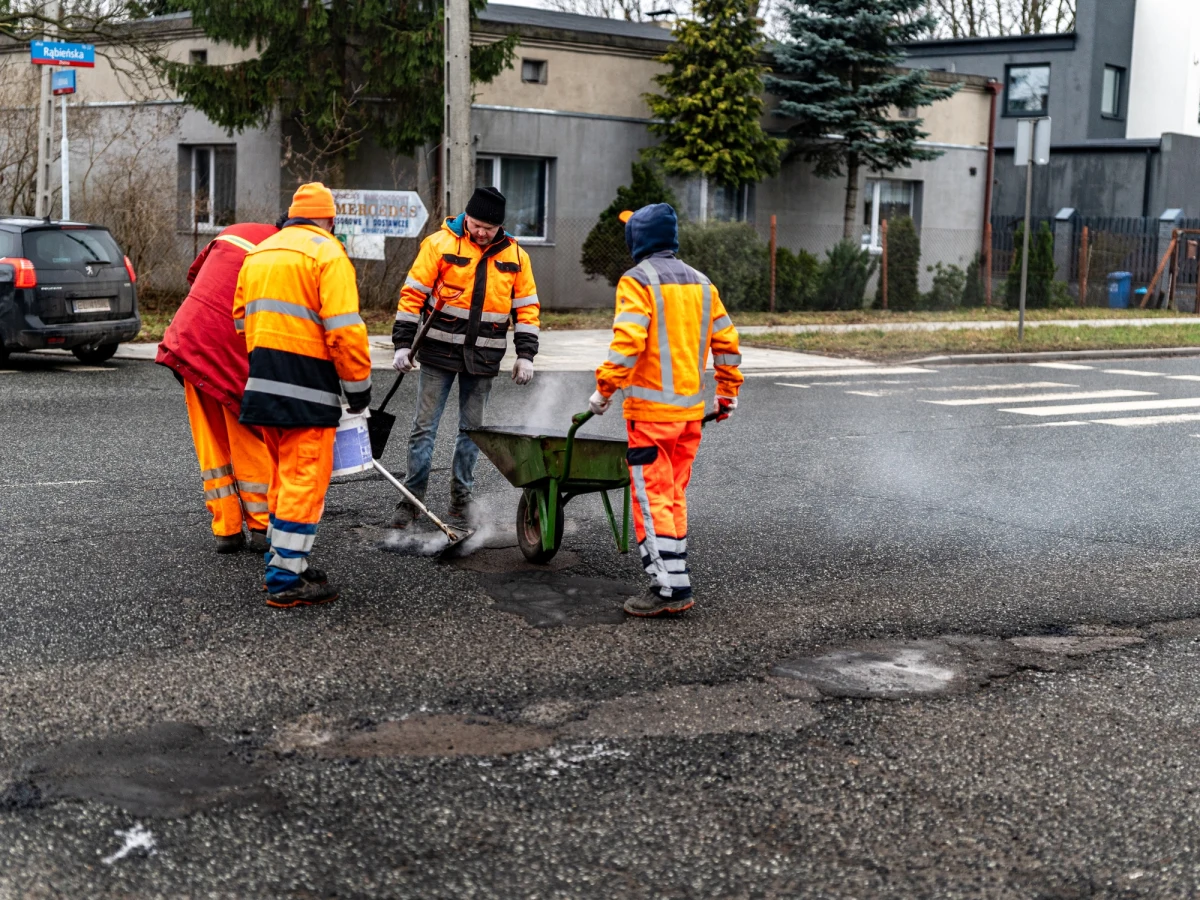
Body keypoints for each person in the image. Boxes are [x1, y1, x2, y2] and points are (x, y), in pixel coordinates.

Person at [588, 203, 744, 617]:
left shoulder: (637, 280)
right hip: (689, 418)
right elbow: (726, 343)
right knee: (672, 496)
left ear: (638, 239)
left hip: (652, 418)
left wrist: (604, 390)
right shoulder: (702, 283)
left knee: (651, 499)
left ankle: (667, 588)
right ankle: (676, 579)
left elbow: (627, 343)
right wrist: (726, 394)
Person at [233, 182, 372, 608]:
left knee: (282, 479)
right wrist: (358, 392)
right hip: (308, 390)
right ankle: (284, 580)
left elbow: (240, 320)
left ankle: (287, 560)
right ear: (329, 219)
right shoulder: (327, 253)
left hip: (263, 387)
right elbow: (346, 331)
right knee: (304, 483)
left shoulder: (259, 252)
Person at [391, 186, 540, 528]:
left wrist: (526, 355)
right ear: (466, 217)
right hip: (437, 353)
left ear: (500, 226)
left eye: (489, 228)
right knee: (423, 429)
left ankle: (461, 503)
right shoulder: (439, 245)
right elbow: (412, 296)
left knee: (472, 432)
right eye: (476, 225)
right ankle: (411, 503)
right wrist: (402, 344)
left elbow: (527, 308)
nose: (482, 233)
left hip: (484, 358)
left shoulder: (516, 256)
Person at [156, 221, 279, 554]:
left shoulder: (235, 232)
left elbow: (195, 276)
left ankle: (225, 529)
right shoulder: (289, 254)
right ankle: (262, 525)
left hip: (189, 341)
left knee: (211, 442)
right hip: (230, 347)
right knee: (248, 435)